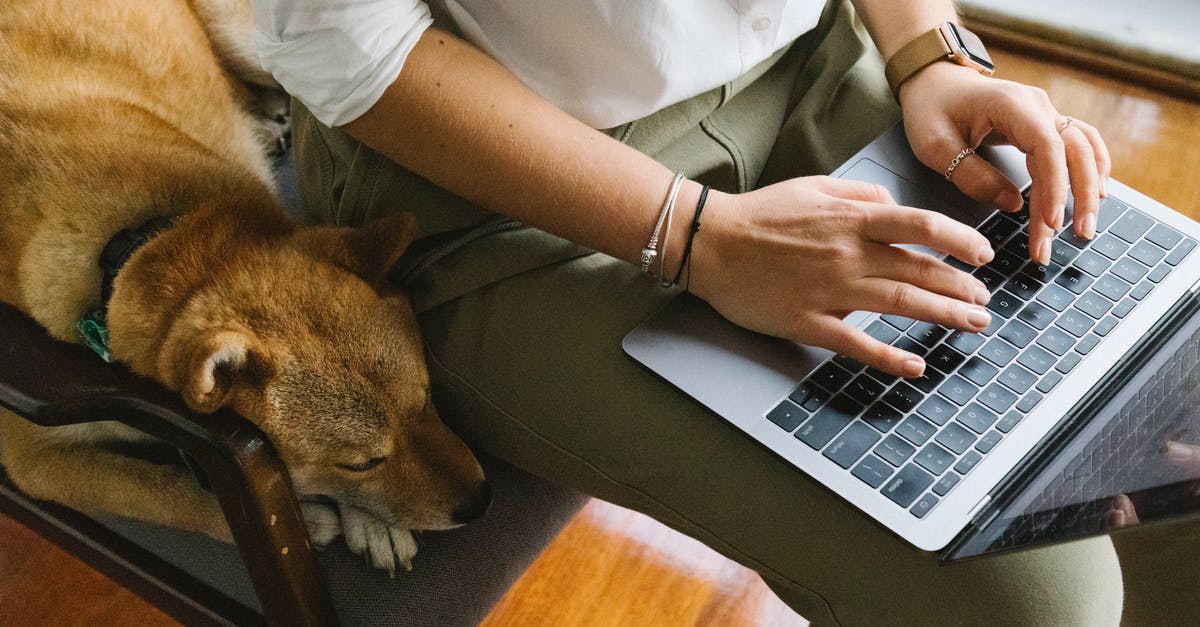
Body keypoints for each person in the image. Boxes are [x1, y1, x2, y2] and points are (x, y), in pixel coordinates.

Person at [252, 0, 1198, 623]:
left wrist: (931, 56)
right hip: (499, 189)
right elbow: (347, 41)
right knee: (1035, 602)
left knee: (1183, 424)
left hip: (806, 60)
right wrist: (699, 238)